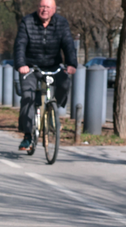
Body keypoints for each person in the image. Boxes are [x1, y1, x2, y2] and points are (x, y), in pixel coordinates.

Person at [13, 0, 77, 151]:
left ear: (54, 9)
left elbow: (68, 44)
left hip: (53, 66)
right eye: (42, 6)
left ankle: (52, 109)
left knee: (65, 83)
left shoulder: (61, 23)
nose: (44, 10)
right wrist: (21, 64)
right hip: (31, 67)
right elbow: (20, 44)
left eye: (48, 7)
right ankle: (27, 136)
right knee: (27, 97)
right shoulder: (27, 21)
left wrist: (71, 64)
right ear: (37, 8)